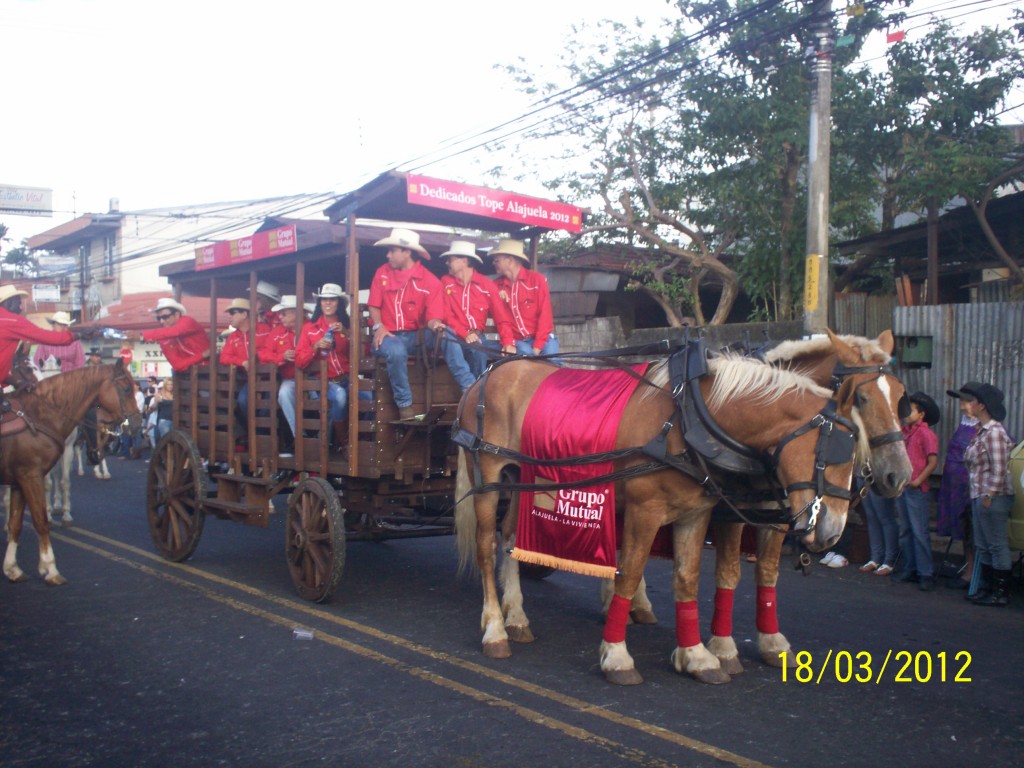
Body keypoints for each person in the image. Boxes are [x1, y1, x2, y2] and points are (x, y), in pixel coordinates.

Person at [367, 228, 444, 420]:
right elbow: (374, 305)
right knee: (396, 350)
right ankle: (405, 406)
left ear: (407, 252)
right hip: (388, 337)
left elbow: (433, 316)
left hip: (414, 336)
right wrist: (379, 326)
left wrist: (436, 325)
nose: (388, 255)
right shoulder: (382, 273)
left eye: (392, 250)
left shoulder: (430, 280)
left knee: (448, 337)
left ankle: (464, 393)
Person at [959, 382, 1014, 607]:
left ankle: (1000, 592)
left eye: (972, 401)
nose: (968, 405)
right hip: (980, 494)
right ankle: (989, 588)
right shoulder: (981, 431)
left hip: (993, 496)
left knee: (996, 544)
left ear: (982, 406)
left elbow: (999, 468)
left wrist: (989, 494)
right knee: (983, 544)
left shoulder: (994, 433)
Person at [437, 240, 515, 393]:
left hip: (477, 338)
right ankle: (474, 391)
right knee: (453, 338)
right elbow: (446, 315)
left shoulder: (487, 285)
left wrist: (508, 341)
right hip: (456, 336)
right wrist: (465, 333)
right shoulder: (445, 282)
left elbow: (501, 318)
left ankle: (473, 392)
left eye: (450, 259)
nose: (447, 263)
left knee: (482, 349)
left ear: (464, 261)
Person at [294, 284, 351, 449]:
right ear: (319, 303)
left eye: (332, 299)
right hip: (325, 382)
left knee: (371, 398)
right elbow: (299, 360)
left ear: (338, 303)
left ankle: (361, 442)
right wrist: (316, 347)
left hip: (347, 378)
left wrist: (347, 334)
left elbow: (361, 354)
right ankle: (344, 444)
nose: (327, 303)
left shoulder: (347, 325)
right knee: (340, 397)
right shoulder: (309, 329)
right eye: (324, 300)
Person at [893, 392, 940, 591]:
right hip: (902, 486)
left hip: (916, 488)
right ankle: (910, 567)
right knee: (905, 530)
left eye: (911, 409)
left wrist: (919, 479)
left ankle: (925, 572)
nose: (906, 413)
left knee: (920, 531)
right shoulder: (904, 432)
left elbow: (933, 461)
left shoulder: (926, 434)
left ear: (921, 414)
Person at [938, 383, 982, 589]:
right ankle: (969, 568)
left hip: (971, 487)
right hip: (954, 486)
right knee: (964, 530)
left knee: (974, 531)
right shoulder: (965, 423)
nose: (962, 405)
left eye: (966, 401)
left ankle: (975, 572)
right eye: (962, 401)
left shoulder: (986, 427)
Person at [490, 238, 558, 357]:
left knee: (554, 363)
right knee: (526, 353)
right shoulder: (495, 286)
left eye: (497, 260)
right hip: (518, 342)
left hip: (541, 339)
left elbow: (545, 317)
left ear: (510, 260)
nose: (493, 263)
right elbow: (501, 321)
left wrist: (537, 347)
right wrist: (508, 342)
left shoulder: (537, 280)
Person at [0, 284, 77, 387]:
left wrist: (15, 381)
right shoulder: (12, 320)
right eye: (18, 303)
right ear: (7, 302)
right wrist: (78, 334)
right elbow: (47, 337)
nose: (21, 308)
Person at [259, 295, 300, 453]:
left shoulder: (309, 328)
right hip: (290, 378)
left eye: (284, 313)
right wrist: (281, 357)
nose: (280, 317)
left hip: (313, 378)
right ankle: (299, 438)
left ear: (296, 313)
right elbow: (263, 355)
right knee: (283, 395)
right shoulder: (277, 332)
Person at [125, 298, 210, 373]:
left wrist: (142, 336)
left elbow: (175, 331)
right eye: (159, 318)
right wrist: (202, 355)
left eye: (165, 317)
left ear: (176, 315)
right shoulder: (164, 340)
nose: (162, 321)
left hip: (209, 371)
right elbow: (177, 365)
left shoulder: (187, 321)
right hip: (190, 378)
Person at [218, 298, 270, 413]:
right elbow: (224, 357)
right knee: (242, 401)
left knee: (266, 408)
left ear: (244, 314)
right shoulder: (233, 337)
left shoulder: (265, 330)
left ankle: (258, 429)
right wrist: (242, 362)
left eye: (232, 313)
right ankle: (254, 429)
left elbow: (272, 350)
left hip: (271, 378)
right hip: (250, 379)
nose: (229, 316)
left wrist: (256, 360)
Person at [858, 486, 898, 577]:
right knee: (871, 517)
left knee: (885, 517)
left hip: (880, 477)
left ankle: (889, 561)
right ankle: (875, 558)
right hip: (863, 475)